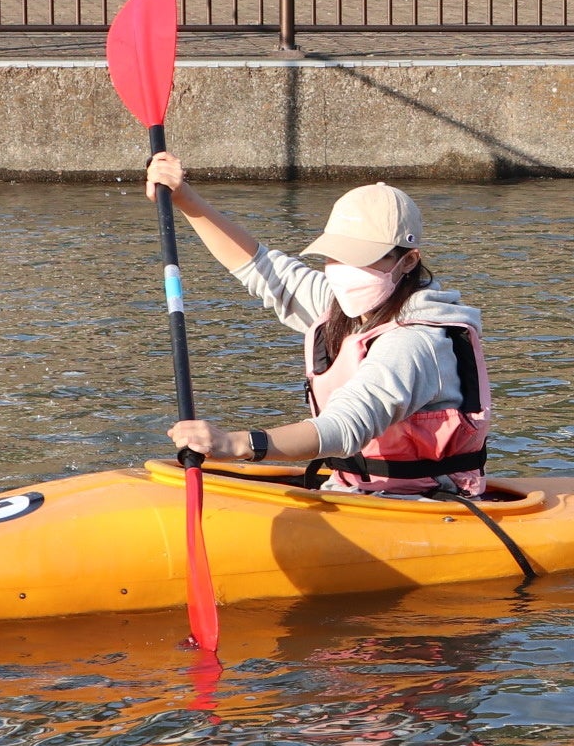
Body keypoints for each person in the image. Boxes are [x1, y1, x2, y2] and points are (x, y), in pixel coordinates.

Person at [144, 157, 491, 496]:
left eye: (362, 257)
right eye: (335, 255)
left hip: (423, 502)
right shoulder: (346, 305)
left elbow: (343, 427)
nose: (343, 268)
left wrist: (235, 443)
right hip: (352, 489)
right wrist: (184, 198)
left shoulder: (415, 343)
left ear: (408, 260)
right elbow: (260, 267)